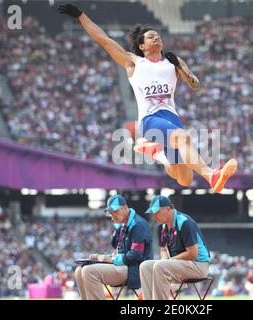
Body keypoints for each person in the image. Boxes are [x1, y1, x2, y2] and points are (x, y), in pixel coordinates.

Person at [58, 3, 238, 192]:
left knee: (184, 178)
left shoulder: (172, 62)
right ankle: (211, 175)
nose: (156, 38)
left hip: (172, 118)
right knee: (183, 138)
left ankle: (158, 154)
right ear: (141, 45)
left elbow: (195, 84)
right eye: (151, 36)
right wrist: (80, 16)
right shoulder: (133, 62)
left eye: (158, 36)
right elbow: (103, 40)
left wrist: (182, 68)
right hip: (150, 119)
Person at [74, 195, 152, 300]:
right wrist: (101, 257)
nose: (112, 214)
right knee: (79, 270)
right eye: (110, 212)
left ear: (125, 208)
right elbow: (119, 253)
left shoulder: (138, 225)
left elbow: (135, 256)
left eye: (115, 211)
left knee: (89, 271)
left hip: (134, 269)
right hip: (124, 266)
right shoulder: (122, 225)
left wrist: (110, 259)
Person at [139, 195, 211, 299]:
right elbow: (163, 249)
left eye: (156, 212)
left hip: (198, 265)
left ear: (168, 209)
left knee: (160, 266)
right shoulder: (162, 227)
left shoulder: (184, 222)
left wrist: (168, 261)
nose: (154, 216)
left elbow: (193, 253)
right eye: (152, 213)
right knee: (145, 266)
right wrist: (164, 260)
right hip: (180, 264)